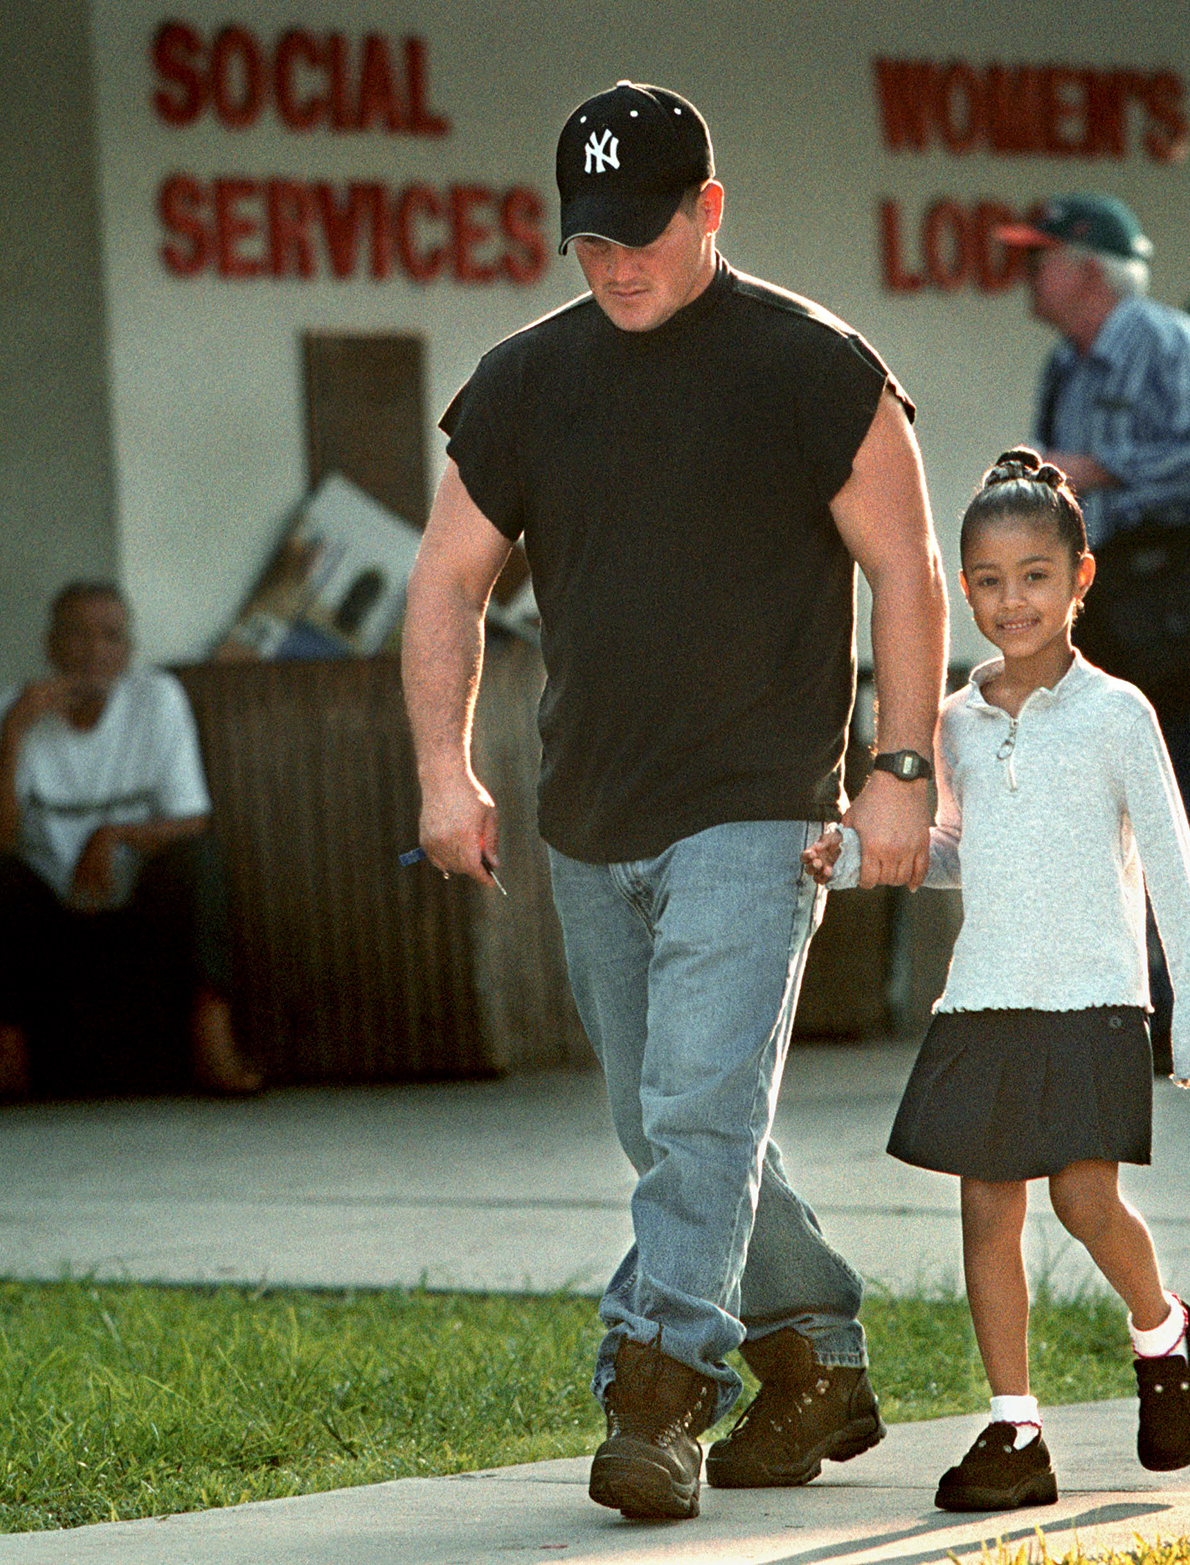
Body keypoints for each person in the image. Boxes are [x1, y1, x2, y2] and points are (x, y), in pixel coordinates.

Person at [402, 82, 948, 1523]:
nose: (616, 263)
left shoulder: (813, 365)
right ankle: (816, 1354)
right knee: (674, 1124)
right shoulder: (525, 380)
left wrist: (902, 770)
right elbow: (448, 575)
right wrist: (442, 766)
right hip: (591, 814)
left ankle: (657, 1398)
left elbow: (907, 566)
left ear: (709, 210)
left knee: (702, 1107)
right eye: (590, 240)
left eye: (643, 233)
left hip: (759, 805)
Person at [807, 449, 1190, 1512]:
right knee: (987, 1212)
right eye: (990, 581)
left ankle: (1165, 1329)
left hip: (1092, 995)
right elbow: (952, 844)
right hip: (985, 996)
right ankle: (1016, 1425)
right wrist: (859, 855)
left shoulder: (1120, 714)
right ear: (963, 588)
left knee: (1087, 1199)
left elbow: (1177, 871)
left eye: (1036, 575)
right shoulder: (950, 719)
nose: (1013, 600)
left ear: (1081, 578)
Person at [993, 195, 1190, 1065]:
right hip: (1091, 600)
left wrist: (1095, 469)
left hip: (1160, 595)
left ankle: (1188, 1015)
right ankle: (1113, 1009)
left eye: (1042, 258)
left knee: (1178, 812)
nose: (1028, 275)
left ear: (1089, 270)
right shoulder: (1066, 363)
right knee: (1087, 815)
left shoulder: (1166, 341)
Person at [0, 581, 262, 1101]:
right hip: (52, 919)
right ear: (52, 647)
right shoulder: (14, 712)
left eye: (112, 637)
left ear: (128, 652)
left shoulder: (156, 699)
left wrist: (113, 834)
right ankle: (7, 1058)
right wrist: (12, 737)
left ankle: (214, 1047)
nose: (96, 652)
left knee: (198, 862)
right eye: (78, 636)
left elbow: (193, 821)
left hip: (137, 912)